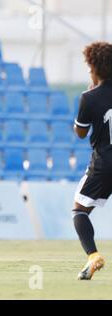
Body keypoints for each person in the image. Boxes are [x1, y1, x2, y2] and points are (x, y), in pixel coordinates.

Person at [72, 41, 112, 280]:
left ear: (94, 68)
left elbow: (80, 132)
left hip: (104, 165)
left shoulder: (89, 97)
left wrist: (91, 90)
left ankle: (93, 256)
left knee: (79, 211)